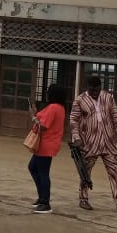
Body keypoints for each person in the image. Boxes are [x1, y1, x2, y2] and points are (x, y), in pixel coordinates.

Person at [70, 75, 117, 212]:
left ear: (100, 87)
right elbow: (74, 120)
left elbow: (116, 116)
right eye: (92, 90)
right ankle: (83, 199)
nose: (94, 92)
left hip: (108, 142)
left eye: (97, 89)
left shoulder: (108, 97)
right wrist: (76, 138)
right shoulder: (79, 100)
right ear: (87, 88)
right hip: (89, 143)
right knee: (85, 172)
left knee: (114, 171)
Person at [27, 85, 68, 213]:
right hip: (48, 143)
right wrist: (36, 113)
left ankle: (45, 202)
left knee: (43, 172)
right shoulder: (60, 108)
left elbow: (43, 126)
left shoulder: (53, 107)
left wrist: (32, 116)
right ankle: (42, 198)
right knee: (33, 167)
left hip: (46, 144)